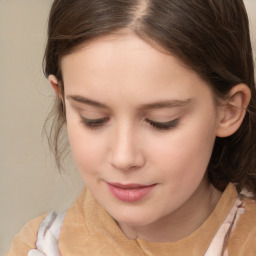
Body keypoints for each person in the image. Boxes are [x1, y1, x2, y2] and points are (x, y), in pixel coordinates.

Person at [7, 0, 256, 255]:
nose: (123, 158)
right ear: (62, 97)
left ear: (229, 111)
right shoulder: (40, 248)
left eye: (162, 121)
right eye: (92, 118)